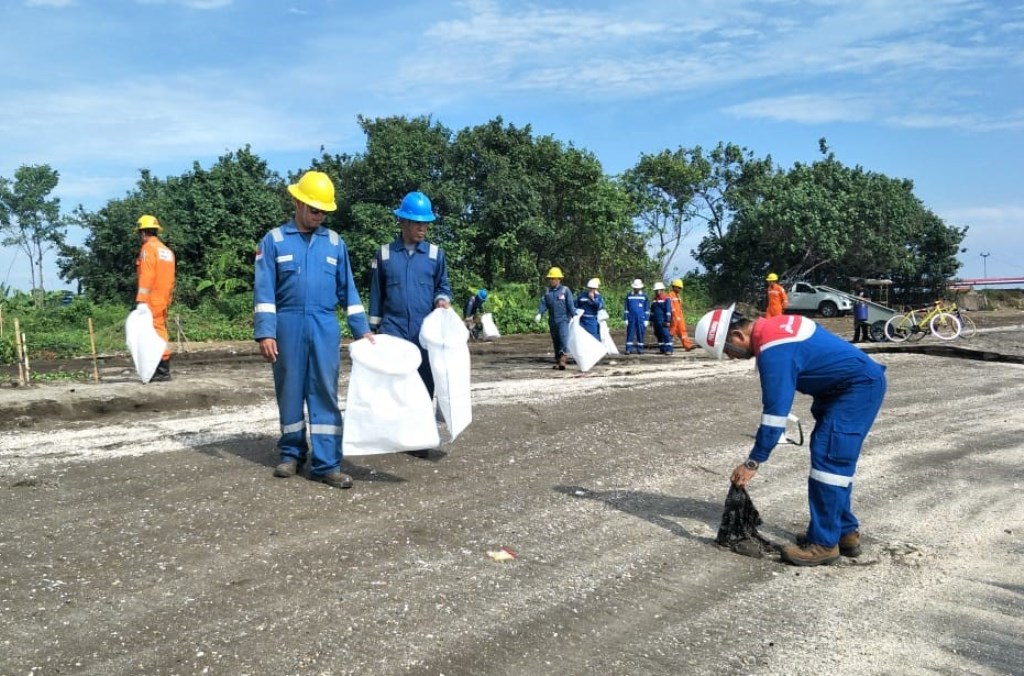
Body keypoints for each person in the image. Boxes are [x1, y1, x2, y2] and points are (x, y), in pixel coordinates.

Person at [694, 304, 887, 566]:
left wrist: (753, 461)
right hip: (845, 390)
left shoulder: (774, 351)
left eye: (728, 351)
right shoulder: (776, 328)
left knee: (830, 463)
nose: (732, 357)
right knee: (831, 462)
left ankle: (824, 545)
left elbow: (775, 413)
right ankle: (844, 532)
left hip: (855, 391)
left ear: (738, 336)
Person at [254, 170, 373, 489]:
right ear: (297, 202)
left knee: (324, 393)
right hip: (287, 325)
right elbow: (264, 291)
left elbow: (349, 291)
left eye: (324, 210)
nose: (319, 215)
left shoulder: (335, 243)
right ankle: (291, 454)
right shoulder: (275, 240)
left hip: (323, 325)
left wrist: (362, 329)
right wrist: (266, 331)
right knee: (290, 390)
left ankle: (327, 464)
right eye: (314, 209)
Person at [369, 191, 453, 457]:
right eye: (417, 223)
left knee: (424, 384)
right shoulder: (383, 255)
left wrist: (441, 300)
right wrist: (372, 329)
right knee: (394, 385)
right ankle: (396, 434)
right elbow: (376, 295)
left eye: (426, 223)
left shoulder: (435, 255)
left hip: (423, 331)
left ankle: (419, 438)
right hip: (393, 331)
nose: (423, 228)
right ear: (402, 222)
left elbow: (443, 286)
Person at [135, 214, 176, 382]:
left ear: (143, 233)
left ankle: (161, 370)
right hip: (163, 299)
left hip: (152, 300)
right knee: (160, 331)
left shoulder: (148, 249)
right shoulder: (166, 251)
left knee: (155, 333)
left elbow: (147, 275)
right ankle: (160, 369)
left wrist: (141, 299)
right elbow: (171, 278)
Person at [534, 266, 575, 369]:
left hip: (563, 320)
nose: (551, 281)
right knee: (556, 340)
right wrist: (539, 313)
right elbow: (543, 304)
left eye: (552, 279)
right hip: (552, 321)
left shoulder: (565, 291)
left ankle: (563, 359)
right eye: (550, 279)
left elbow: (570, 304)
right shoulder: (548, 293)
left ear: (558, 279)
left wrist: (575, 315)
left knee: (563, 339)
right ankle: (558, 358)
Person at [668, 278, 696, 351]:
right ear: (674, 287)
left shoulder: (678, 296)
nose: (680, 289)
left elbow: (679, 307)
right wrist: (674, 316)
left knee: (683, 331)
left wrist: (680, 316)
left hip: (679, 316)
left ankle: (687, 345)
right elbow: (671, 307)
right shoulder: (670, 295)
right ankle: (666, 345)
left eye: (680, 288)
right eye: (679, 288)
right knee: (671, 331)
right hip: (673, 317)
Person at [624, 279, 648, 354]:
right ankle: (628, 349)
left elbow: (646, 309)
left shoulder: (644, 296)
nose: (636, 289)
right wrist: (625, 318)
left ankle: (640, 349)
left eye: (638, 288)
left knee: (640, 333)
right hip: (631, 318)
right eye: (635, 287)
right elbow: (626, 308)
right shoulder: (629, 295)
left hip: (641, 318)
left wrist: (646, 319)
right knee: (630, 333)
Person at [649, 282, 674, 354]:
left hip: (663, 321)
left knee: (666, 334)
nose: (657, 292)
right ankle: (662, 349)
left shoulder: (666, 299)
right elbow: (652, 311)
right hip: (656, 321)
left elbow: (668, 311)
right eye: (656, 290)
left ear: (662, 290)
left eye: (659, 290)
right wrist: (651, 320)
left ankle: (669, 349)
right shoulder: (654, 300)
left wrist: (668, 321)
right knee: (658, 335)